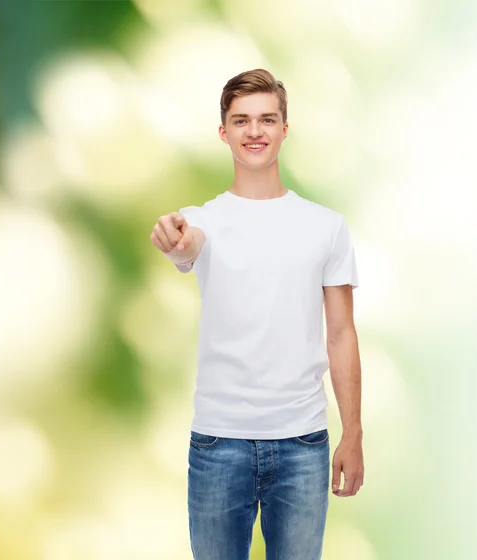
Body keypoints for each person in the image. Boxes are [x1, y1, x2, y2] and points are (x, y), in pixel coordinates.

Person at [150, 68, 364, 560]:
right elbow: (185, 245)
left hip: (303, 445)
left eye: (267, 119)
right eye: (241, 120)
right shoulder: (204, 220)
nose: (255, 131)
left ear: (285, 129)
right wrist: (173, 238)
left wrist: (352, 432)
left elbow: (342, 334)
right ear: (223, 132)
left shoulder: (326, 227)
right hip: (218, 444)